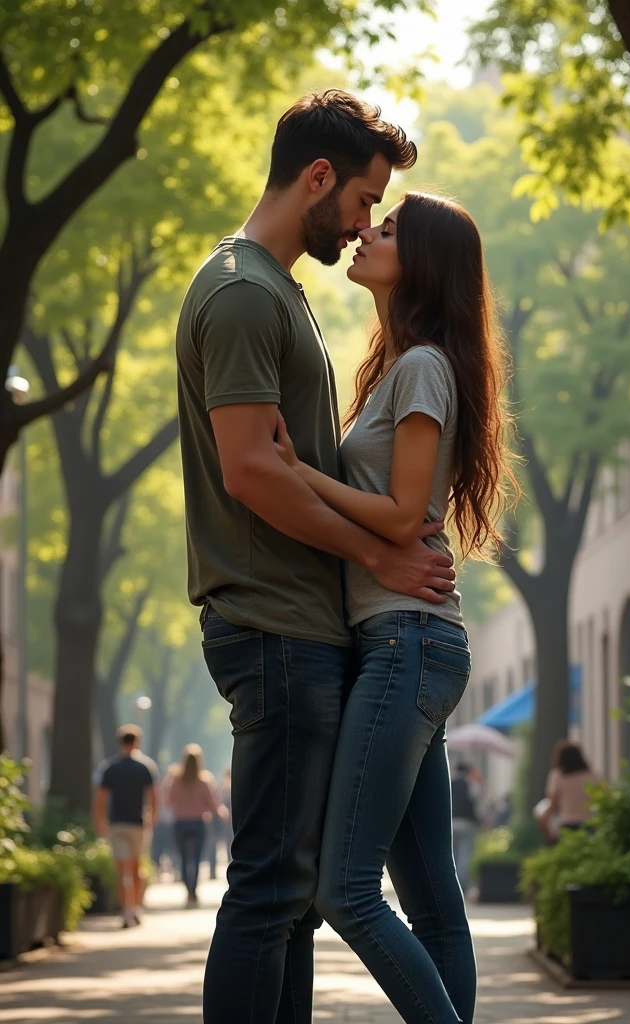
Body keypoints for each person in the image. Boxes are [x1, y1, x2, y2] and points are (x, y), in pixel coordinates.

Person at [177, 90, 456, 1024]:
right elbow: (254, 471)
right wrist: (376, 561)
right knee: (271, 894)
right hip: (274, 624)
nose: (367, 221)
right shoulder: (246, 291)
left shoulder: (278, 292)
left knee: (293, 898)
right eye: (366, 200)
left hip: (302, 627)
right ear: (320, 178)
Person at [275, 191, 516, 1023]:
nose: (365, 231)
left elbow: (407, 512)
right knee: (434, 902)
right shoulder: (401, 365)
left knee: (346, 890)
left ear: (422, 263)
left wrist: (297, 473)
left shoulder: (421, 368)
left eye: (387, 228)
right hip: (413, 643)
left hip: (404, 642)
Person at [94, 724, 159, 929]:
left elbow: (101, 798)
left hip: (117, 824)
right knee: (137, 866)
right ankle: (136, 907)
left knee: (122, 870)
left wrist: (100, 821)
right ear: (137, 742)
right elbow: (153, 795)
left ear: (120, 742)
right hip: (138, 824)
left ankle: (126, 912)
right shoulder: (145, 766)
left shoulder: (110, 767)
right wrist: (153, 817)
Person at [167, 744, 228, 907]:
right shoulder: (204, 780)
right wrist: (220, 812)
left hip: (180, 823)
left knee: (184, 858)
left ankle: (188, 890)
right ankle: (194, 890)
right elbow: (213, 804)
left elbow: (168, 800)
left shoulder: (175, 779)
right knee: (197, 858)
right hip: (199, 822)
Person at [538, 740, 598, 841]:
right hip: (591, 823)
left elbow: (553, 804)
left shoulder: (557, 777)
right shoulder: (593, 777)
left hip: (568, 824)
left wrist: (544, 824)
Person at [451, 762, 481, 893]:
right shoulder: (471, 784)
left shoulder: (450, 783)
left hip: (452, 822)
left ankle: (451, 883)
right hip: (467, 823)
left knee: (453, 855)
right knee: (465, 855)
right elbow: (477, 802)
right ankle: (461, 886)